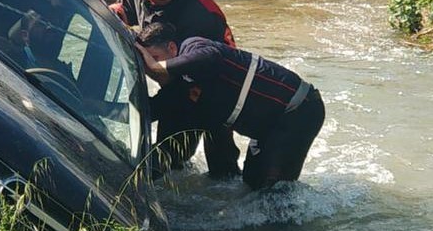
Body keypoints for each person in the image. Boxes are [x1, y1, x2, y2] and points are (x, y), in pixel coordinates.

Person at [135, 22, 325, 190]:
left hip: (300, 111)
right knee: (254, 183)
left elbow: (211, 57)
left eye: (155, 57)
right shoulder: (179, 84)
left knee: (273, 190)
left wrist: (159, 67)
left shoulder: (194, 46)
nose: (153, 68)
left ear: (171, 47)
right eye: (148, 64)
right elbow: (152, 109)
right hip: (270, 126)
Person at [109, 0, 240, 178]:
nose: (149, 0)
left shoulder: (201, 18)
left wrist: (150, 109)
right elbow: (125, 7)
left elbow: (190, 83)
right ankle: (171, 171)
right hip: (173, 73)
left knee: (221, 163)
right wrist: (113, 14)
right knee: (167, 156)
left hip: (213, 84)